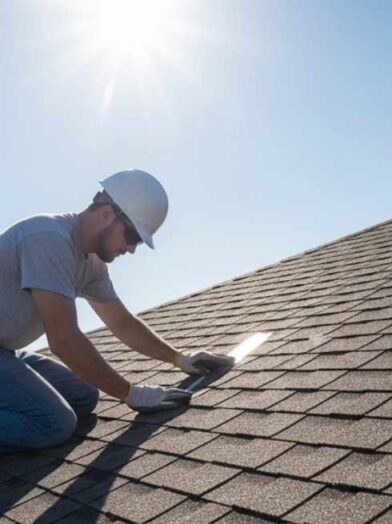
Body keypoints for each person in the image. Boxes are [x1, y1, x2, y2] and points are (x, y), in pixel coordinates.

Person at [0, 170, 235, 452]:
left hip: (7, 352)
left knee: (84, 397)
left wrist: (180, 359)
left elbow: (121, 322)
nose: (132, 249)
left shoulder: (92, 263)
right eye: (133, 236)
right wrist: (130, 393)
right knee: (54, 423)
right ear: (107, 214)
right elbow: (63, 341)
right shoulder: (47, 239)